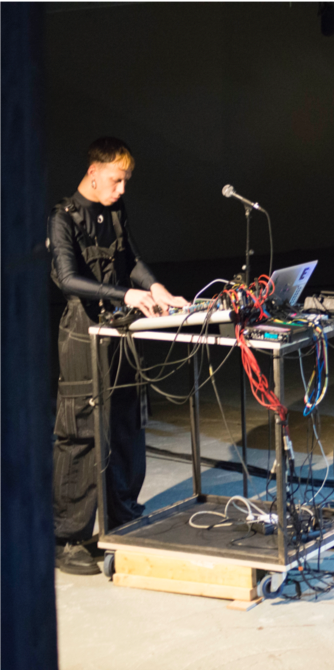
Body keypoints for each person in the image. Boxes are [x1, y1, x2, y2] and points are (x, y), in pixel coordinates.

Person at [48, 137, 187, 574]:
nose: (122, 188)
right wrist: (127, 292)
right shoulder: (62, 218)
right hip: (82, 335)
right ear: (93, 172)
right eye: (116, 179)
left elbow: (131, 259)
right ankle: (68, 536)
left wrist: (156, 288)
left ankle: (124, 516)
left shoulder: (114, 212)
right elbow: (69, 278)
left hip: (122, 333)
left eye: (125, 180)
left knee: (125, 424)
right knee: (81, 434)